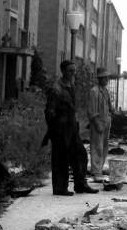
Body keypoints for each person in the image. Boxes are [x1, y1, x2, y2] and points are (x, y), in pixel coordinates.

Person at [44, 60, 98, 196]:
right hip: (60, 128)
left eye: (74, 70)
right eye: (70, 71)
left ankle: (80, 184)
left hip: (72, 126)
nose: (73, 73)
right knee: (60, 158)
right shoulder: (56, 88)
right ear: (63, 71)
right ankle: (60, 188)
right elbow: (49, 111)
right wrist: (53, 129)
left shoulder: (71, 85)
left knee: (80, 154)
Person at [87, 67, 114, 182]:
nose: (107, 79)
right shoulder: (94, 91)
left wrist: (112, 112)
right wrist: (96, 122)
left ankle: (100, 167)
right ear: (100, 78)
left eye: (107, 77)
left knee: (104, 146)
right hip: (98, 122)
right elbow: (91, 110)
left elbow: (109, 106)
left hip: (106, 121)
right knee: (97, 146)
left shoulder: (105, 91)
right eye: (105, 78)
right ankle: (96, 170)